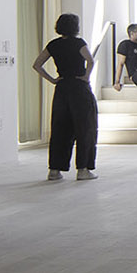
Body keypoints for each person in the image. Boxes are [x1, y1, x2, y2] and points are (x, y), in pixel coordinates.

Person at [31, 13, 98, 181]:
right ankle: (83, 169)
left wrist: (53, 79)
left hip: (61, 88)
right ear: (75, 27)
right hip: (79, 88)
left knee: (60, 128)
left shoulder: (53, 45)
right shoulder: (79, 43)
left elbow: (37, 65)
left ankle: (54, 170)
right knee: (85, 128)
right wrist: (86, 77)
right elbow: (90, 60)